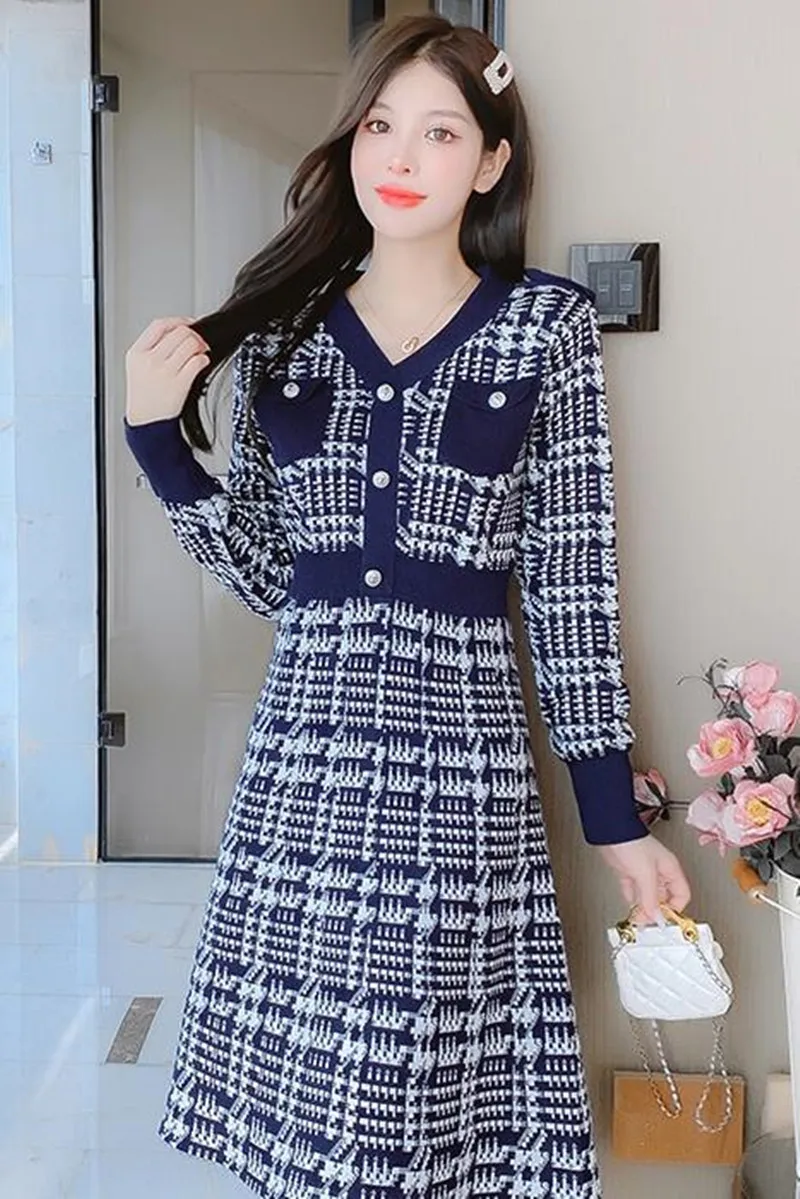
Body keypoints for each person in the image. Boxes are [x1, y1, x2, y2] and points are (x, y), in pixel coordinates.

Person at [124, 14, 691, 1197]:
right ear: (346, 144)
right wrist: (158, 445)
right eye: (378, 125)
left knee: (420, 1109)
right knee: (307, 1121)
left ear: (488, 161)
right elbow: (272, 579)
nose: (399, 155)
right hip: (304, 772)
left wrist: (613, 818)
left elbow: (570, 587)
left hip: (457, 774)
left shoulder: (543, 329)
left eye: (439, 132)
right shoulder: (280, 335)